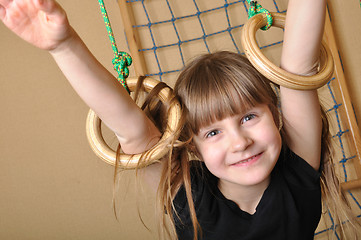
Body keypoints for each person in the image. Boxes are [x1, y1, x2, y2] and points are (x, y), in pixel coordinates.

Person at [0, 0, 359, 239]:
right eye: (214, 131)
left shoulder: (297, 173)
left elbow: (297, 67)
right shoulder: (190, 195)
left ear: (277, 116)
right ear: (193, 144)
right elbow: (131, 130)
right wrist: (64, 45)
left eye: (249, 117)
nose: (239, 142)